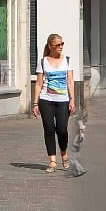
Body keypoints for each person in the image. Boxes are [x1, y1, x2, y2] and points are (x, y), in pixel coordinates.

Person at [30, 34, 79, 172]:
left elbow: (70, 81)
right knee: (49, 129)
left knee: (62, 129)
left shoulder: (67, 60)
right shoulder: (43, 62)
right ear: (50, 46)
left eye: (62, 44)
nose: (61, 47)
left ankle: (64, 154)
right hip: (46, 100)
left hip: (63, 100)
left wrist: (72, 99)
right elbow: (39, 84)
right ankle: (52, 161)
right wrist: (35, 103)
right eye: (58, 45)